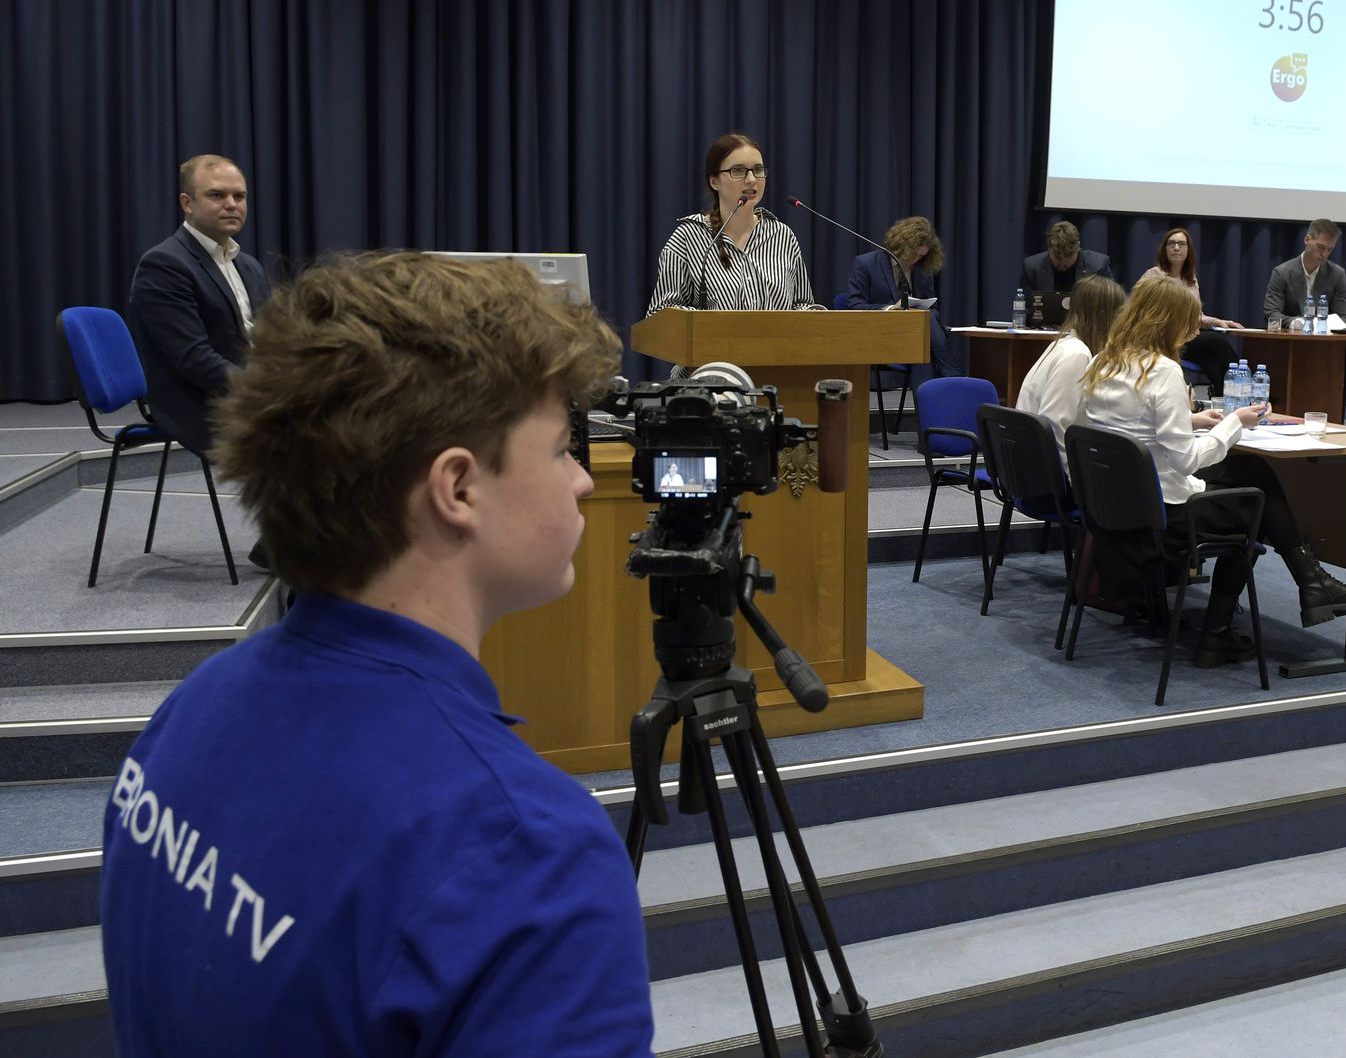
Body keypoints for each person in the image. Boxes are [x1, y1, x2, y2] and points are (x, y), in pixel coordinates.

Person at [99, 252, 653, 1056]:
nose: (582, 481)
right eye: (565, 447)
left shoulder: (195, 703)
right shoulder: (528, 855)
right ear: (457, 488)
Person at [1081, 276, 1346, 668]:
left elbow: (1131, 426)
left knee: (1250, 468)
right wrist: (1233, 422)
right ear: (1168, 322)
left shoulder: (1103, 362)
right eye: (1188, 323)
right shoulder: (1163, 371)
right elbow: (1187, 461)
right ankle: (1222, 632)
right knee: (1255, 504)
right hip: (1164, 516)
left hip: (1118, 508)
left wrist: (1193, 419)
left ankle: (1313, 584)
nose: (1193, 333)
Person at [128, 154, 274, 570]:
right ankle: (297, 543)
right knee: (328, 430)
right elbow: (194, 360)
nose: (231, 204)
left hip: (246, 390)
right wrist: (270, 393)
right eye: (217, 195)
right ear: (187, 203)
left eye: (239, 196)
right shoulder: (165, 265)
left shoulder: (248, 265)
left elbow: (269, 342)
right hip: (196, 401)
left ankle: (289, 540)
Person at [646, 131, 820, 314]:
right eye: (738, 171)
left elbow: (802, 304)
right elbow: (662, 312)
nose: (751, 180)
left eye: (758, 170)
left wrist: (817, 315)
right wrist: (708, 322)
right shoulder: (688, 237)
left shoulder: (782, 236)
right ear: (714, 181)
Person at [1263, 218, 1346, 428]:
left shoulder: (1337, 274)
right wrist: (1298, 323)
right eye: (1320, 247)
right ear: (1307, 239)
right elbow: (1271, 314)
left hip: (1325, 338)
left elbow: (1342, 317)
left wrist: (1321, 326)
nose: (1324, 254)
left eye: (1329, 250)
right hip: (1292, 339)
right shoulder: (1282, 272)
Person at [842, 215, 963, 382]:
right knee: (924, 336)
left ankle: (934, 391)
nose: (916, 259)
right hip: (883, 333)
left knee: (923, 338)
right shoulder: (865, 264)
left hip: (916, 335)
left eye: (921, 256)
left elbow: (932, 307)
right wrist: (890, 309)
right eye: (913, 254)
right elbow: (854, 305)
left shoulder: (921, 268)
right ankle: (953, 375)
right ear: (901, 245)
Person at [1016, 275, 1127, 437]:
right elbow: (1054, 428)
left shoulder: (1065, 345)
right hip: (1041, 451)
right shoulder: (1077, 355)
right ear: (1106, 317)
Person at [1139, 227, 1243, 393]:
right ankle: (1245, 387)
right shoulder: (1153, 276)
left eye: (1181, 244)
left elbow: (1196, 316)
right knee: (1215, 341)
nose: (1176, 248)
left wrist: (1217, 322)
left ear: (1188, 250)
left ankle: (1225, 398)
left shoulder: (1191, 279)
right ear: (1165, 249)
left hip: (1188, 340)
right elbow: (1138, 310)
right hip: (1164, 340)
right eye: (1171, 244)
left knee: (1210, 362)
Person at [1020, 219, 1114, 294]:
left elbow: (1110, 303)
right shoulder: (1032, 268)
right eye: (1057, 257)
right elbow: (1026, 306)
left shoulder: (1098, 267)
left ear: (1078, 247)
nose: (1062, 262)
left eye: (1068, 256)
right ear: (1048, 248)